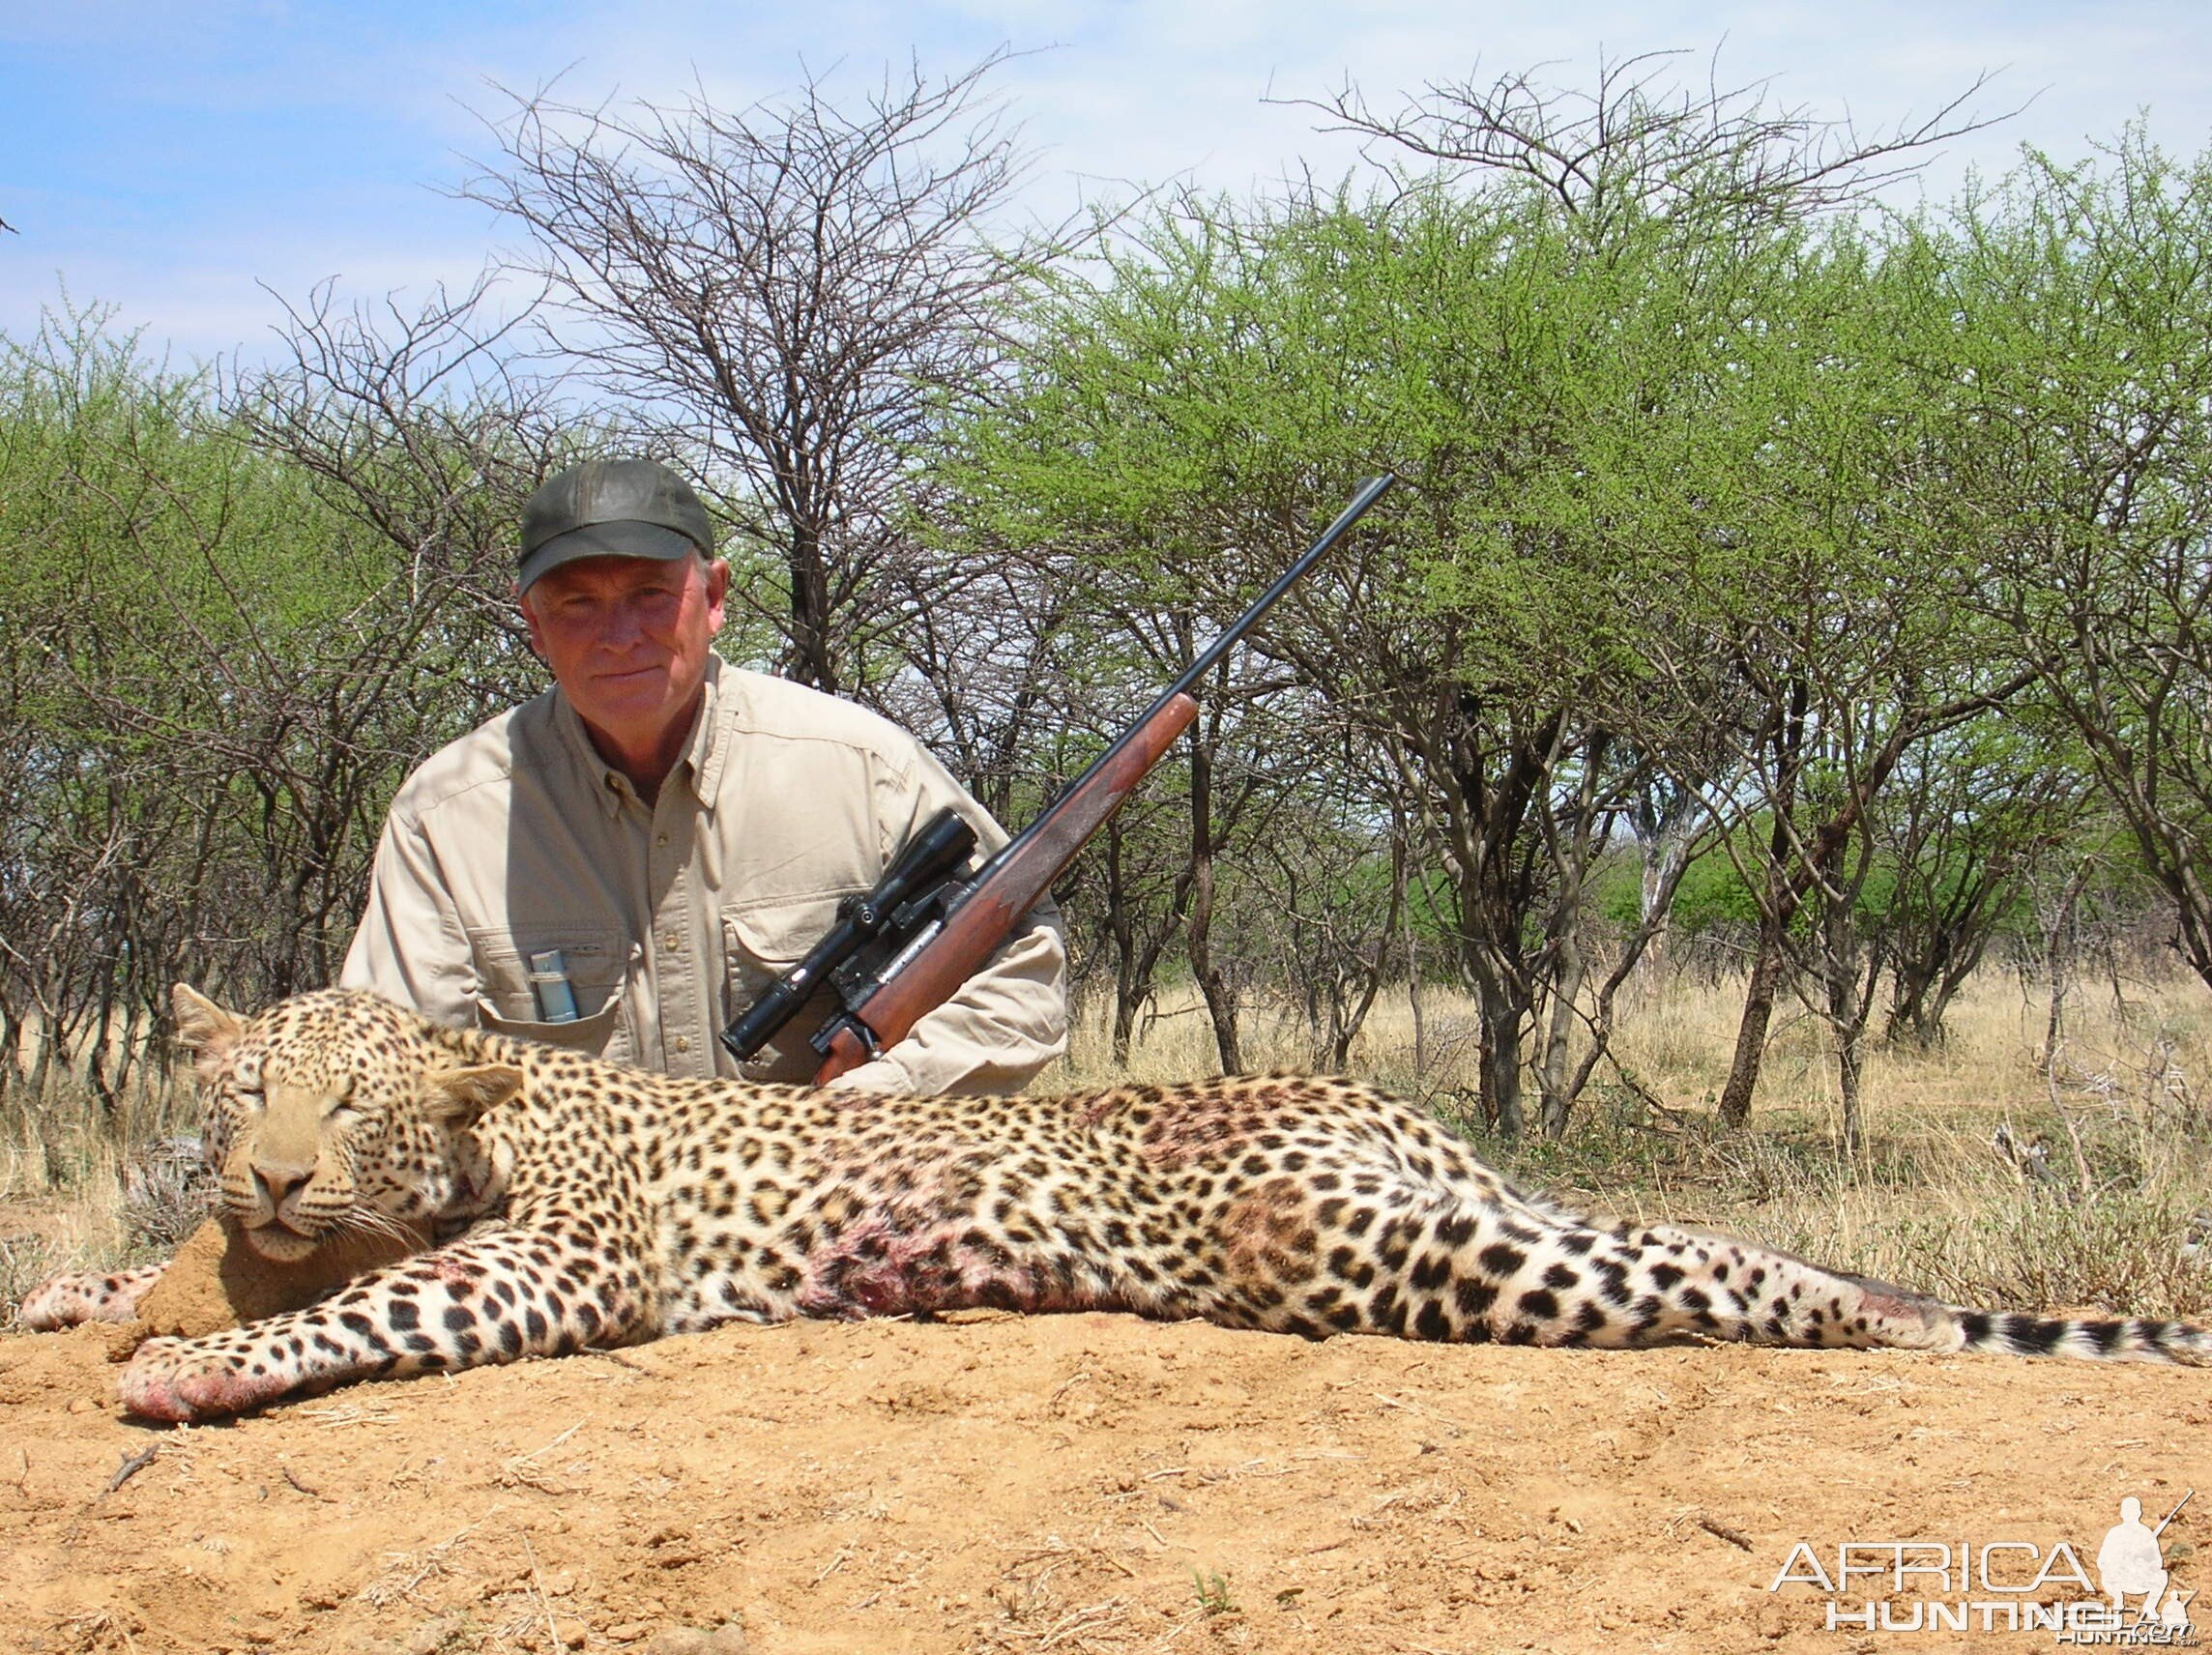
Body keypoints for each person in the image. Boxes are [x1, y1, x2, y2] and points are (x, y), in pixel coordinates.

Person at [339, 457, 1067, 1094]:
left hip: (844, 1205)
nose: (619, 638)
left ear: (715, 597)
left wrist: (876, 1105)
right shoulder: (445, 815)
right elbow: (387, 1067)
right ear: (533, 625)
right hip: (569, 1228)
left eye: (650, 596)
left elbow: (1024, 969)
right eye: (578, 604)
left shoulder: (863, 768)